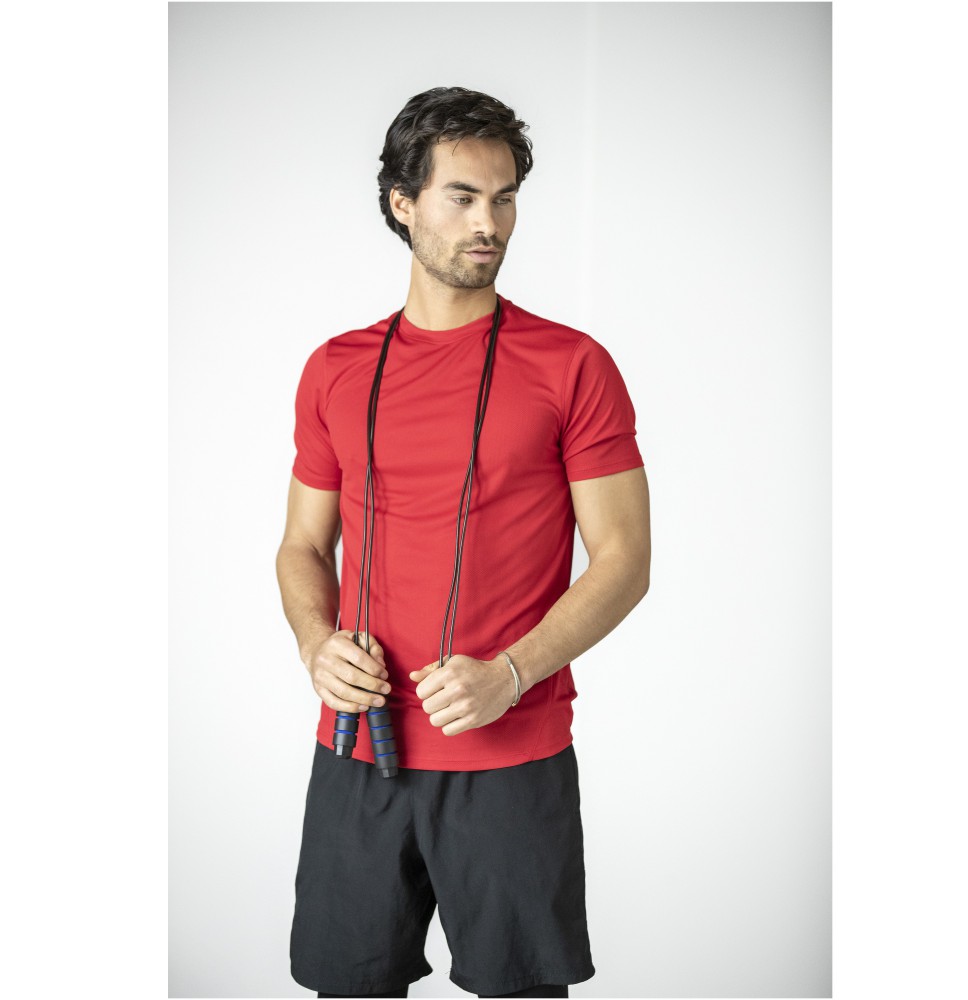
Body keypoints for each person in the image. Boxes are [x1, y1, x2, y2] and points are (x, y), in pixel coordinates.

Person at [276, 86, 650, 1000]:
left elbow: (624, 561)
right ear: (402, 203)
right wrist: (316, 644)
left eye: (506, 197)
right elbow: (301, 547)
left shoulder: (573, 366)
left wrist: (511, 674)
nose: (491, 223)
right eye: (464, 196)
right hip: (358, 751)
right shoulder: (334, 369)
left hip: (511, 759)